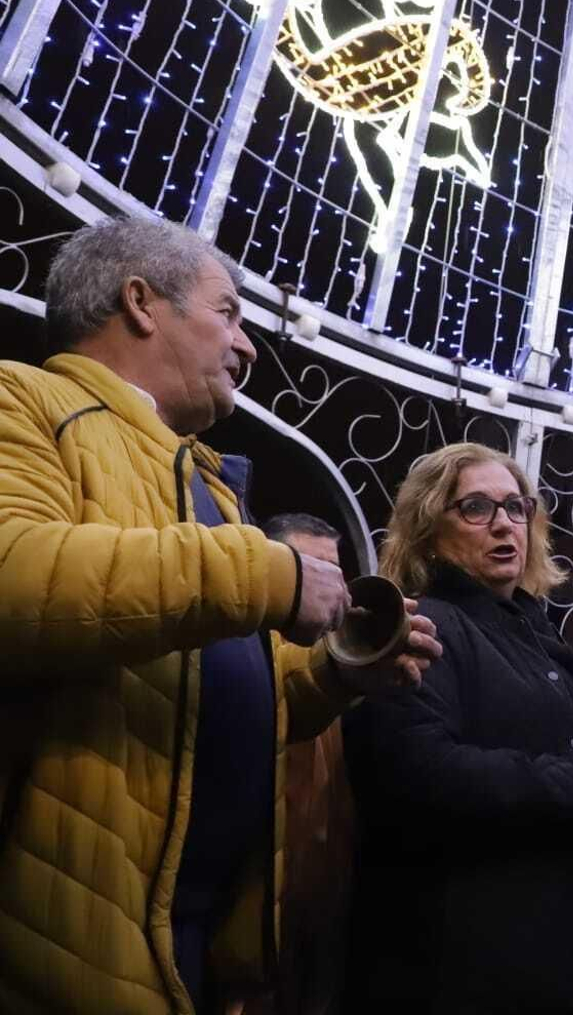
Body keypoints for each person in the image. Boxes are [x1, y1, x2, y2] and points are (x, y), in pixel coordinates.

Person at [0, 217, 437, 1015]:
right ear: (141, 301)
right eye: (228, 312)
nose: (248, 346)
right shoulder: (21, 398)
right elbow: (13, 573)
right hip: (62, 930)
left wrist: (340, 670)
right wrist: (264, 572)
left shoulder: (207, 482)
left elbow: (229, 702)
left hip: (186, 940)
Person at [339, 442, 573, 1014]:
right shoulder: (422, 626)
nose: (504, 523)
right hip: (473, 969)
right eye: (476, 508)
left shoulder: (542, 638)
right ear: (429, 528)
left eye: (516, 507)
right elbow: (418, 773)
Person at [243, 513, 357, 1015]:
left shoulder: (347, 677)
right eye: (310, 570)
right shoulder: (245, 671)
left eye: (335, 573)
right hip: (251, 930)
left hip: (324, 921)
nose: (326, 588)